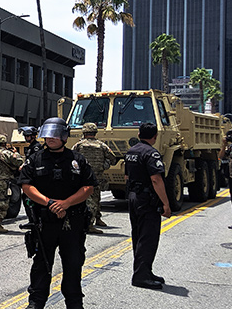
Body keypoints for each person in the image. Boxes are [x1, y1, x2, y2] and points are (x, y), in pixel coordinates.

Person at [18, 117, 97, 309]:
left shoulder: (77, 159)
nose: (50, 138)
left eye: (55, 134)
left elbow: (88, 186)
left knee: (73, 261)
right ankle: (36, 302)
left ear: (64, 136)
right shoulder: (35, 159)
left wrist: (67, 203)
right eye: (48, 134)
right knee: (42, 262)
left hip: (72, 219)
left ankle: (74, 304)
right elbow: (27, 186)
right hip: (45, 220)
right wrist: (50, 203)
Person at [125, 123, 172, 289]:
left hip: (133, 197)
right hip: (147, 199)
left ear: (138, 134)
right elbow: (156, 179)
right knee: (148, 238)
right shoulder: (152, 153)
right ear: (155, 136)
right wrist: (166, 204)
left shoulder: (131, 152)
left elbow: (126, 176)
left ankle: (144, 271)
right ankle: (141, 276)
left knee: (138, 236)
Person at [72, 122, 117, 234]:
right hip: (96, 177)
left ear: (84, 132)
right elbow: (113, 159)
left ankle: (95, 219)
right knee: (95, 199)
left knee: (87, 199)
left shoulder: (78, 145)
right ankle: (90, 224)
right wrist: (103, 165)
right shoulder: (102, 145)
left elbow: (71, 158)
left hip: (82, 177)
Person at [0, 134, 24, 234]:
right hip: (3, 182)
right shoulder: (6, 153)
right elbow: (19, 161)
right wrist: (15, 153)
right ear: (4, 143)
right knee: (2, 202)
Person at [18, 126, 43, 230]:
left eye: (28, 136)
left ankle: (36, 220)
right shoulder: (31, 147)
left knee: (32, 199)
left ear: (33, 136)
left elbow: (34, 161)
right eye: (25, 136)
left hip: (35, 177)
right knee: (28, 199)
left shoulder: (36, 147)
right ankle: (32, 220)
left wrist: (24, 166)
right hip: (31, 175)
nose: (26, 138)